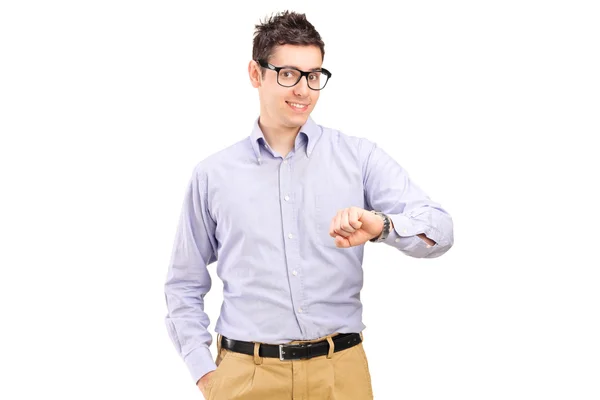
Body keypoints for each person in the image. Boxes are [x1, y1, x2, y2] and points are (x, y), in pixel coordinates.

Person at [164, 10, 454, 400]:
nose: (303, 89)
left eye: (313, 75)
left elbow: (440, 229)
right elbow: (183, 284)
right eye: (288, 74)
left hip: (341, 375)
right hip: (246, 377)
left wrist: (383, 227)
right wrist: (204, 373)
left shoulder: (359, 158)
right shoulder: (213, 175)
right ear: (256, 74)